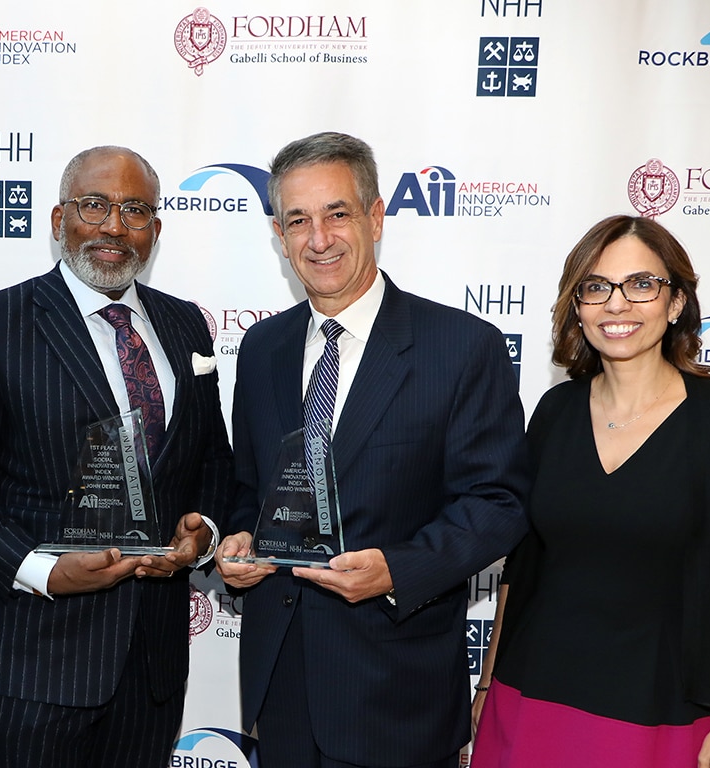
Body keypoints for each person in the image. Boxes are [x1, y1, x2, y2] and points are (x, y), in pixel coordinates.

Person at [215, 131, 529, 768]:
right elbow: (251, 491)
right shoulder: (262, 348)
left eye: (337, 213)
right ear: (279, 235)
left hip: (396, 694)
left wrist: (398, 569)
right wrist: (240, 542)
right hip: (281, 690)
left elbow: (498, 504)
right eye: (298, 220)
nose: (319, 238)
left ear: (376, 217)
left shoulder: (461, 347)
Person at [0, 145, 235, 768]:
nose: (114, 226)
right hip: (38, 654)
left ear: (156, 229)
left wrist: (206, 532)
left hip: (153, 661)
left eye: (134, 211)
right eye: (94, 206)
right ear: (59, 219)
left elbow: (212, 461)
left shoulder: (185, 325)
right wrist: (40, 568)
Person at [470, 215, 710, 768]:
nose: (617, 304)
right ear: (578, 306)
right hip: (530, 698)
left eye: (641, 284)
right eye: (596, 287)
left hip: (659, 713)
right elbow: (523, 568)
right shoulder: (554, 412)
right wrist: (489, 684)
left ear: (676, 302)